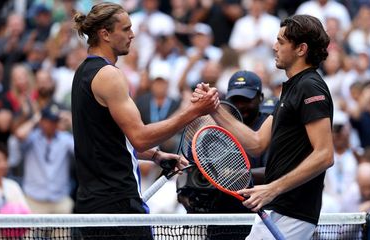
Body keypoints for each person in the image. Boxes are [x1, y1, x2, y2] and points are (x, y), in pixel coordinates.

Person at [71, 0, 218, 219]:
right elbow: (140, 137)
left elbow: (109, 140)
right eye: (126, 29)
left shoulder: (82, 72)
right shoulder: (109, 75)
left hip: (93, 203)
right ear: (105, 34)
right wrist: (194, 111)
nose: (132, 34)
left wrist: (156, 155)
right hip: (117, 204)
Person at [194, 14, 334, 239]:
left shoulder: (310, 87)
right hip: (277, 209)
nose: (274, 46)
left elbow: (325, 155)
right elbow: (257, 143)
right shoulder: (292, 89)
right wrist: (214, 108)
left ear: (301, 49)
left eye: (280, 41)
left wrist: (272, 188)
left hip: (293, 213)